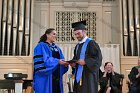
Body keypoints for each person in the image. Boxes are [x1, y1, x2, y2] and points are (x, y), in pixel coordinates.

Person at [70, 20, 102, 93]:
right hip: (79, 75)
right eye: (75, 34)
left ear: (84, 31)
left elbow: (98, 59)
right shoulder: (77, 46)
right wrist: (73, 64)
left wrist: (85, 62)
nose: (77, 36)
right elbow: (75, 58)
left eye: (78, 33)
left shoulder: (91, 43)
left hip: (88, 76)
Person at [33, 28, 69, 93]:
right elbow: (44, 61)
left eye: (56, 34)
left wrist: (65, 64)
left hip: (56, 78)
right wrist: (57, 61)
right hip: (45, 78)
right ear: (47, 35)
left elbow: (62, 59)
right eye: (54, 34)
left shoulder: (57, 48)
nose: (55, 36)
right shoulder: (41, 46)